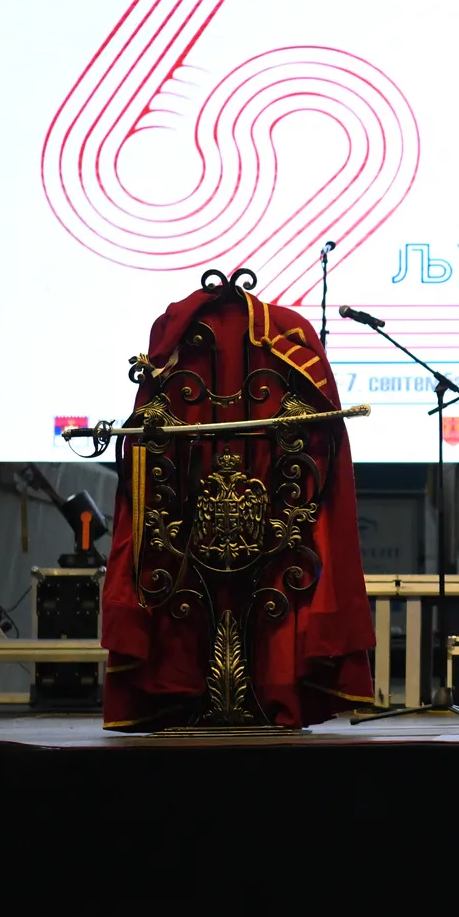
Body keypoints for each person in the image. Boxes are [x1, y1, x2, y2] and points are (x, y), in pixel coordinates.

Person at [99, 280, 375, 730]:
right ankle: (251, 691)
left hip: (266, 512)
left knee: (269, 577)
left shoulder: (190, 347)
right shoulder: (284, 339)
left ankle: (213, 692)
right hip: (203, 513)